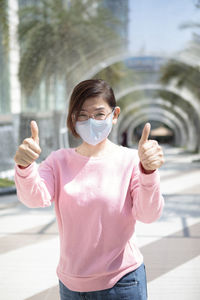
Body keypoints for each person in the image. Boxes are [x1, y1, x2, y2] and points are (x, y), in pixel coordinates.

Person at [14, 79, 164, 300]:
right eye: (82, 115)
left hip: (122, 282)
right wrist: (25, 167)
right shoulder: (58, 161)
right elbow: (34, 198)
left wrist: (149, 173)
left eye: (99, 114)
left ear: (114, 115)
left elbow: (149, 215)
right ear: (73, 118)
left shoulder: (132, 160)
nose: (90, 121)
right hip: (71, 285)